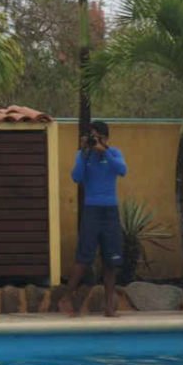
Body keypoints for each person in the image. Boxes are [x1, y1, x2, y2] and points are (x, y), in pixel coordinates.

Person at [59, 120, 127, 317]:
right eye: (91, 136)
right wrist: (84, 153)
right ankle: (66, 297)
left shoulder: (114, 153)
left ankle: (109, 306)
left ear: (105, 138)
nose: (93, 139)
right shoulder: (83, 155)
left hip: (110, 212)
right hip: (92, 211)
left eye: (96, 136)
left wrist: (103, 150)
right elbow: (76, 177)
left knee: (111, 261)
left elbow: (122, 170)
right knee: (84, 257)